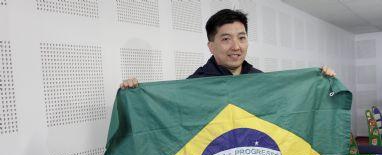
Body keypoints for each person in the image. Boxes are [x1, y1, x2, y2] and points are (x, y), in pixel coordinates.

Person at [120, 9, 335, 88]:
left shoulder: (260, 80)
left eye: (242, 38)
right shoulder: (194, 86)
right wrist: (136, 94)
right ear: (211, 46)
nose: (236, 46)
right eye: (226, 39)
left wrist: (322, 82)